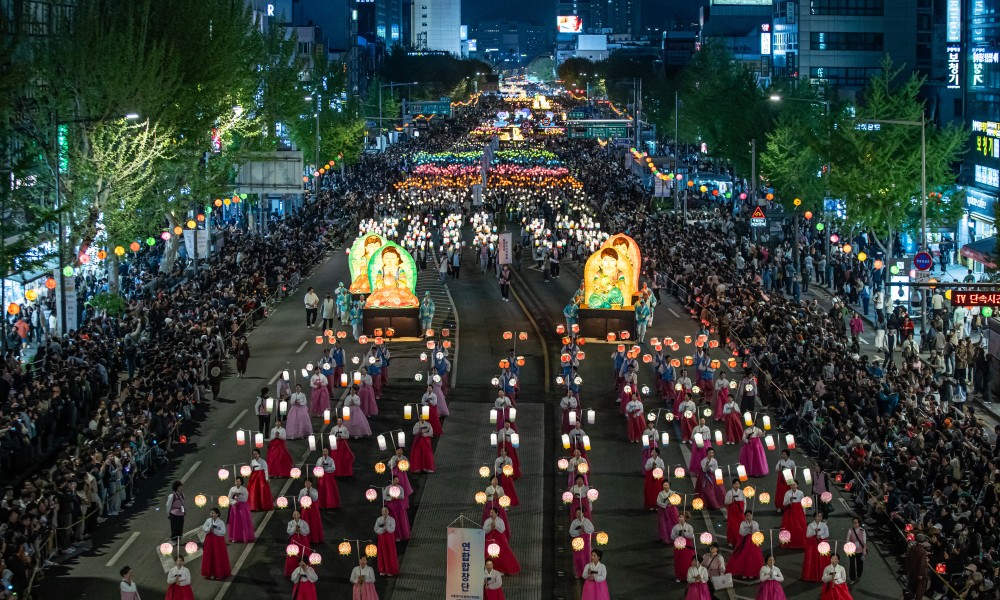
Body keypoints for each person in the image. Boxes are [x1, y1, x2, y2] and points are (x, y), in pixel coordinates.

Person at [728, 511, 765, 580]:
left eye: (749, 516)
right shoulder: (743, 523)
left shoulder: (755, 523)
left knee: (753, 556)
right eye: (747, 516)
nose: (748, 517)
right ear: (745, 517)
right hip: (744, 541)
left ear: (752, 516)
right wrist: (748, 529)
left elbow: (758, 531)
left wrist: (752, 528)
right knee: (743, 555)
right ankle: (743, 572)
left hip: (753, 541)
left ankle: (752, 573)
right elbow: (741, 532)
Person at [484, 507, 520, 575]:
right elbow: (485, 530)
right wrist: (490, 527)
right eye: (490, 512)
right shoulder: (487, 521)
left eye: (492, 512)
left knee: (502, 553)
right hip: (490, 538)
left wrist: (496, 526)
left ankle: (501, 569)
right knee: (488, 554)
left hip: (500, 539)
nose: (491, 514)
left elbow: (502, 529)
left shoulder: (500, 520)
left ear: (497, 513)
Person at [201, 508, 231, 579]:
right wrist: (209, 529)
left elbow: (223, 532)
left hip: (218, 541)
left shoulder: (221, 522)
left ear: (217, 514)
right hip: (209, 540)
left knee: (218, 556)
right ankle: (210, 573)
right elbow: (204, 528)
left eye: (213, 513)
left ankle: (219, 573)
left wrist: (214, 531)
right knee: (209, 555)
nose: (212, 514)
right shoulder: (208, 520)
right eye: (211, 513)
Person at [802, 512, 830, 582]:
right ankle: (811, 575)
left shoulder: (824, 525)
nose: (819, 518)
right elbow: (807, 535)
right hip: (813, 545)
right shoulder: (810, 525)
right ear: (814, 517)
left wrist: (821, 536)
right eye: (818, 516)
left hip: (822, 543)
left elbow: (827, 534)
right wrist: (814, 532)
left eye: (820, 516)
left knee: (822, 559)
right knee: (813, 559)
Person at [227, 476, 254, 542]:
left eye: (238, 481)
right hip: (234, 508)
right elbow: (229, 498)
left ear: (241, 482)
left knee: (243, 521)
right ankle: (235, 537)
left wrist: (239, 496)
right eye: (236, 481)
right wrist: (234, 502)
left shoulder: (244, 490)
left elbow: (245, 499)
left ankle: (243, 536)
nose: (237, 483)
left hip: (242, 507)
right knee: (234, 522)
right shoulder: (232, 489)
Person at [780, 480, 807, 548]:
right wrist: (789, 501)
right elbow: (784, 503)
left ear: (797, 485)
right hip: (790, 510)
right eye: (791, 485)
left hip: (799, 511)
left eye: (794, 485)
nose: (793, 486)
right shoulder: (787, 493)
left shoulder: (801, 493)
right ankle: (789, 543)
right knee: (789, 526)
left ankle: (800, 543)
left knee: (800, 526)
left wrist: (804, 512)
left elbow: (803, 503)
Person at [285, 510, 311, 577]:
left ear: (300, 515)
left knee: (304, 553)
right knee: (293, 555)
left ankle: (306, 570)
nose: (296, 516)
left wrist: (300, 530)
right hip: (294, 541)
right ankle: (293, 570)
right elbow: (289, 532)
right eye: (294, 514)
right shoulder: (290, 523)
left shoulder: (304, 522)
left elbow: (307, 531)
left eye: (297, 514)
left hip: (303, 540)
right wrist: (294, 528)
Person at [570, 507, 594, 578]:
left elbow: (591, 529)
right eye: (577, 513)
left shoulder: (587, 521)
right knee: (577, 558)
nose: (578, 514)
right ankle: (579, 572)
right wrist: (578, 531)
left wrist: (584, 529)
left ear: (583, 513)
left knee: (587, 557)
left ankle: (587, 572)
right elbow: (571, 532)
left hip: (586, 542)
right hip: (577, 543)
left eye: (580, 513)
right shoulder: (574, 522)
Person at [374, 506, 399, 576]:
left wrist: (386, 526)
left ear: (388, 511)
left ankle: (391, 570)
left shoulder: (392, 519)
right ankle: (383, 569)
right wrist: (383, 529)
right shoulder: (379, 519)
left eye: (385, 511)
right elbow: (376, 528)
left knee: (390, 552)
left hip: (389, 538)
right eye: (383, 511)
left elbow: (392, 528)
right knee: (382, 552)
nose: (384, 512)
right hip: (382, 538)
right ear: (381, 512)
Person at [671, 512, 696, 582]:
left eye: (681, 517)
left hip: (687, 546)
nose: (679, 518)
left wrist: (684, 533)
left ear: (685, 518)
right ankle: (679, 576)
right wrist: (678, 535)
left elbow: (692, 536)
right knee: (678, 560)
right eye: (679, 517)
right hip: (678, 545)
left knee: (687, 561)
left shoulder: (689, 526)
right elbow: (672, 536)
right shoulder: (675, 527)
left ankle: (687, 576)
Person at [905, 534, 930, 600]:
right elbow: (922, 564)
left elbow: (908, 558)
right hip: (919, 574)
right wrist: (921, 574)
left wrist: (908, 569)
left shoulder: (912, 548)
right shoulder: (922, 551)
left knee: (911, 588)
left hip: (912, 572)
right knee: (919, 591)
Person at [845, 517, 867, 583]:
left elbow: (864, 542)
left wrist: (864, 550)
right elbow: (847, 540)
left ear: (859, 523)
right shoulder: (850, 530)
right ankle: (852, 577)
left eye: (855, 522)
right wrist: (849, 545)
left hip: (860, 550)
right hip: (852, 549)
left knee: (860, 563)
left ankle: (859, 576)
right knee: (852, 563)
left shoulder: (862, 531)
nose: (854, 524)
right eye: (853, 522)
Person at [724, 480, 745, 546]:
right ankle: (731, 541)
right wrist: (731, 500)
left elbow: (745, 502)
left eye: (738, 484)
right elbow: (726, 502)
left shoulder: (742, 492)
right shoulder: (729, 493)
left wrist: (743, 511)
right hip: (732, 512)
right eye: (735, 484)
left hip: (739, 512)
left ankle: (740, 541)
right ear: (732, 485)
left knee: (740, 526)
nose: (737, 486)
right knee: (731, 526)